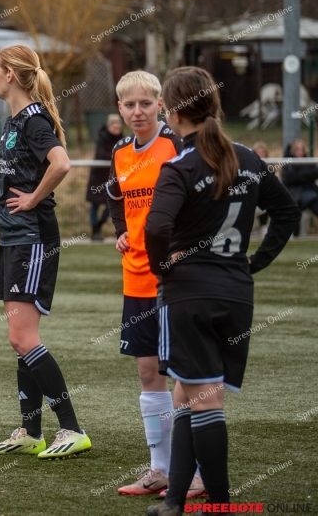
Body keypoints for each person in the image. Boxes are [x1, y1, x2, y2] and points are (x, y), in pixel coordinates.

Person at [146, 67, 300, 516]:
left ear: (173, 113)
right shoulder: (249, 157)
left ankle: (220, 506)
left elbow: (157, 226)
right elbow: (287, 214)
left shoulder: (179, 165)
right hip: (236, 293)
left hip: (190, 293)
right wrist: (253, 263)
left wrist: (162, 269)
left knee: (202, 396)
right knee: (186, 394)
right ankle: (175, 500)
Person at [0, 44, 91, 460]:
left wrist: (32, 199)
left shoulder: (32, 119)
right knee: (19, 340)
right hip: (14, 239)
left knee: (22, 336)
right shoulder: (13, 120)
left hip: (32, 238)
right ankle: (31, 431)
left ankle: (72, 428)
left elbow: (61, 163)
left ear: (11, 74)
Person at [105, 72, 197, 497]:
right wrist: (121, 228)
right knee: (147, 372)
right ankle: (159, 469)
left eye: (145, 103)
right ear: (120, 109)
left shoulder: (176, 146)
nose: (137, 111)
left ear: (162, 105)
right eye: (129, 105)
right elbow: (115, 196)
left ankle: (193, 472)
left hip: (174, 278)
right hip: (135, 276)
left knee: (184, 376)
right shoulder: (120, 151)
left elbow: (199, 198)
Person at [87, 114, 123, 241]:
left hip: (112, 177)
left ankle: (98, 226)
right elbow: (102, 154)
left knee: (110, 205)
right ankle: (94, 231)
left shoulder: (122, 139)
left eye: (118, 127)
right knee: (95, 204)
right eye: (114, 127)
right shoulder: (101, 138)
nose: (116, 129)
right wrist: (116, 156)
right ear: (109, 126)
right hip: (98, 176)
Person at [282, 138, 318, 235]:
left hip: (310, 192)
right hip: (293, 194)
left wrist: (298, 175)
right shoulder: (287, 162)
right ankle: (294, 234)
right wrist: (306, 175)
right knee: (294, 207)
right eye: (297, 149)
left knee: (313, 199)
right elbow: (289, 178)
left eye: (302, 149)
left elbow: (315, 173)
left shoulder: (309, 161)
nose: (300, 151)